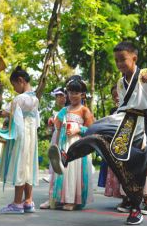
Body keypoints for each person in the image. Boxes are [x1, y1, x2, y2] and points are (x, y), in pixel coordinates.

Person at [49, 41, 147, 225]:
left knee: (133, 166)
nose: (120, 64)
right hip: (122, 120)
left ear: (134, 58)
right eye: (117, 61)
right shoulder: (120, 82)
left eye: (123, 59)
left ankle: (136, 208)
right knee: (94, 133)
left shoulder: (144, 75)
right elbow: (123, 106)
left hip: (137, 125)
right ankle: (67, 157)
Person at [0, 66, 40, 214]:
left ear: (20, 81)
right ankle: (28, 201)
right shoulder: (35, 98)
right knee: (28, 167)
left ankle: (17, 203)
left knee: (20, 165)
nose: (14, 89)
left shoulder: (20, 99)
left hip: (21, 137)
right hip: (31, 137)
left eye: (14, 85)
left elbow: (8, 112)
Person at [50, 76, 95, 211]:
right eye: (70, 92)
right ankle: (61, 199)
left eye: (76, 93)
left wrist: (78, 129)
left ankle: (73, 200)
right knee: (65, 171)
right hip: (64, 144)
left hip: (78, 146)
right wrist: (53, 125)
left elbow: (92, 130)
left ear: (82, 94)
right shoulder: (64, 110)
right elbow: (57, 126)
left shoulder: (84, 110)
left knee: (75, 172)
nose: (73, 96)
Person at [40, 87, 66, 209]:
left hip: (66, 139)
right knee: (55, 167)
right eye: (57, 96)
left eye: (62, 95)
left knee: (66, 168)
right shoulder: (55, 112)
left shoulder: (70, 110)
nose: (60, 98)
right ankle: (53, 197)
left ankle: (65, 196)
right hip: (56, 138)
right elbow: (52, 129)